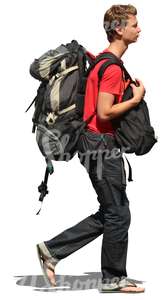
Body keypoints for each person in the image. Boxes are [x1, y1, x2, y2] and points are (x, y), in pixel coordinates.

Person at [36, 4, 145, 293]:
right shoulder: (110, 67)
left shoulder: (104, 62)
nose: (140, 29)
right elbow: (105, 112)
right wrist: (135, 100)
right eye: (135, 24)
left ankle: (54, 251)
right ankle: (111, 278)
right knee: (117, 212)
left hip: (94, 143)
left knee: (115, 211)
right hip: (99, 144)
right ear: (119, 29)